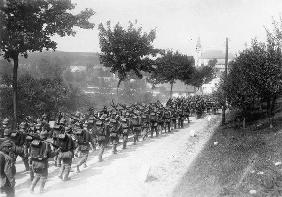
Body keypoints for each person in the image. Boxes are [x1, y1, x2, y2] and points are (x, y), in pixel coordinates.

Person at [0, 129, 24, 197]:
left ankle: (2, 189)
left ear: (4, 134)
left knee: (2, 175)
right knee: (9, 177)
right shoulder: (11, 142)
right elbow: (19, 150)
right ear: (10, 134)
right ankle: (10, 192)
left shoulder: (0, 140)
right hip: (8, 161)